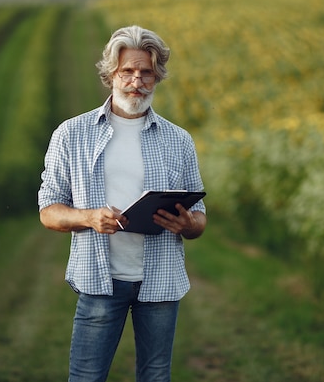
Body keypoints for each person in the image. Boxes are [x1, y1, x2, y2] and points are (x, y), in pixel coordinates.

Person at [38, 25, 207, 382]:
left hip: (160, 281)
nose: (136, 80)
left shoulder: (179, 140)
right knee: (86, 377)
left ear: (157, 76)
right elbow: (49, 210)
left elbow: (200, 219)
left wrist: (187, 224)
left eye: (146, 72)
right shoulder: (72, 133)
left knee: (156, 376)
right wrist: (89, 217)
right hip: (99, 280)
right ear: (110, 74)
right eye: (127, 71)